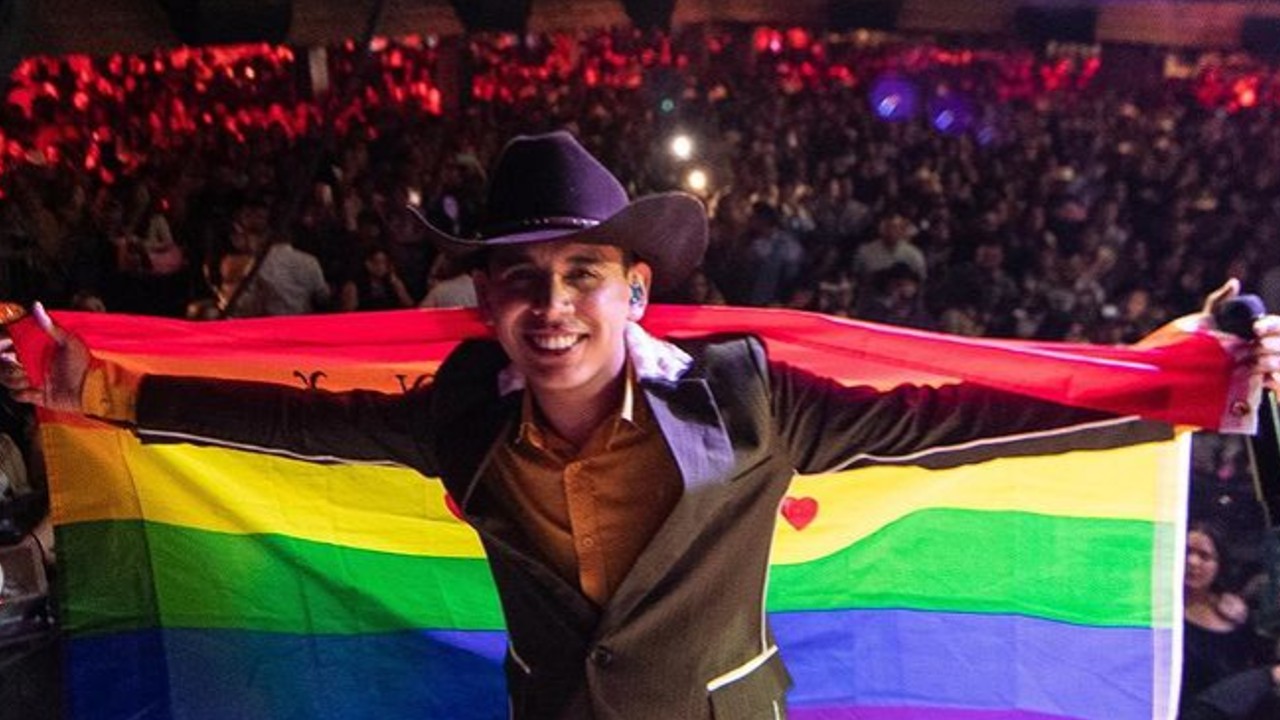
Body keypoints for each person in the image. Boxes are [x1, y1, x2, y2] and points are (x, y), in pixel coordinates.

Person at [4, 131, 1280, 720]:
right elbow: (298, 427)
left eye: (580, 276)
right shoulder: (462, 414)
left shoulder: (740, 399)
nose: (550, 306)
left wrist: (1164, 385)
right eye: (519, 281)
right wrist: (104, 390)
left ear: (634, 292)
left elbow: (942, 420)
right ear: (483, 304)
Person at [1179, 521, 1280, 720]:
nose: (1192, 562)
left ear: (1219, 565)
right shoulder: (1161, 614)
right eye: (1186, 551)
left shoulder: (1236, 613)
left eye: (1204, 556)